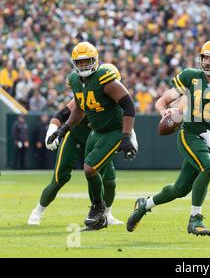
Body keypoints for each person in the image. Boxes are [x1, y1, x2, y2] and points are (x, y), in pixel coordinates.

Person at [127, 40, 210, 236]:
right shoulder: (190, 76)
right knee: (209, 167)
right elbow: (163, 100)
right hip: (189, 134)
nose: (207, 62)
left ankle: (144, 204)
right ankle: (195, 218)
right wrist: (165, 111)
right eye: (205, 57)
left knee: (180, 189)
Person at [28, 64, 137, 226]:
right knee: (60, 178)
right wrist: (53, 131)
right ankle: (38, 210)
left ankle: (106, 214)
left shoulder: (113, 99)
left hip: (99, 137)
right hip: (76, 136)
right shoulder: (86, 92)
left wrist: (131, 141)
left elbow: (127, 120)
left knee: (108, 179)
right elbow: (63, 113)